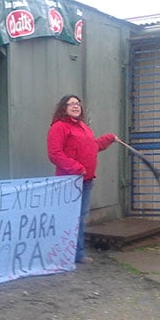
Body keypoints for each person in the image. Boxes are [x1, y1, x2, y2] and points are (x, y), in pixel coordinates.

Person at [46, 94, 118, 264]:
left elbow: (92, 147)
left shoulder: (83, 127)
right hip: (69, 181)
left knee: (80, 217)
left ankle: (77, 254)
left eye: (77, 103)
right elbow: (55, 154)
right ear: (63, 108)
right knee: (68, 217)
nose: (75, 106)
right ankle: (63, 253)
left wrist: (108, 139)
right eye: (71, 104)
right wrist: (76, 168)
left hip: (86, 180)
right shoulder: (59, 127)